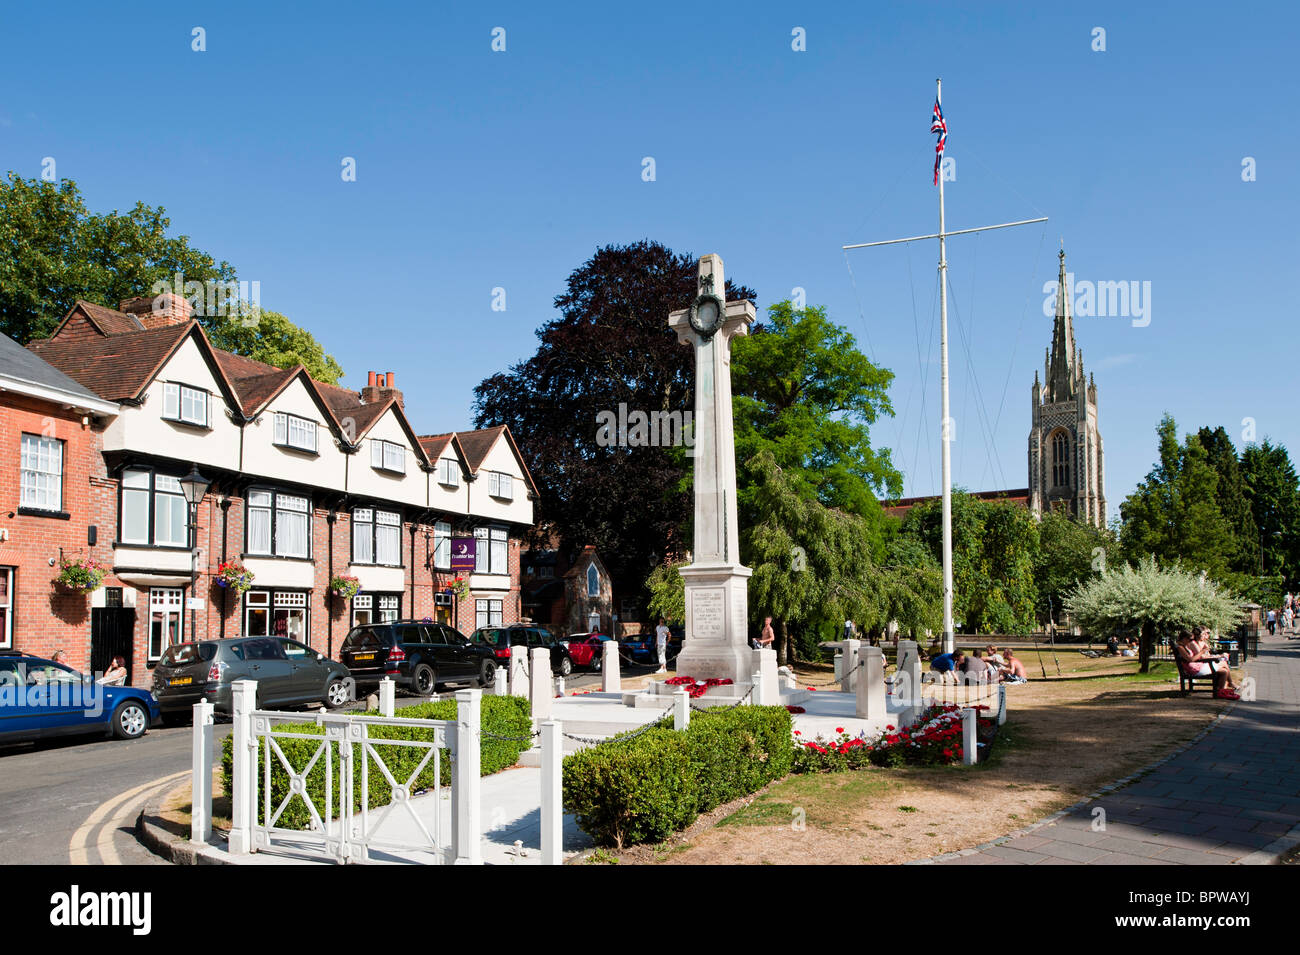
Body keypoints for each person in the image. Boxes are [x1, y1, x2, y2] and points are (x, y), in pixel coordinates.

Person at [1175, 630, 1238, 700]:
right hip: (1194, 669)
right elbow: (1190, 659)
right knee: (1224, 663)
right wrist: (1202, 652)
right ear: (1184, 638)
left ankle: (1220, 690)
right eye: (1190, 639)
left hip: (1197, 666)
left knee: (1224, 671)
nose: (1191, 641)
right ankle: (1227, 686)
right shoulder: (1180, 647)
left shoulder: (1185, 646)